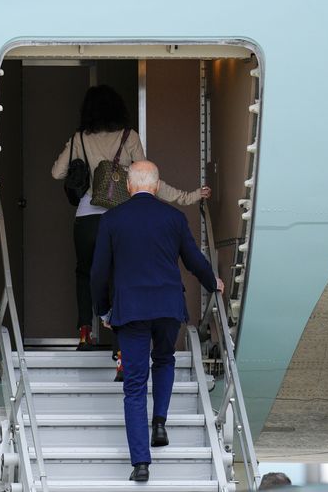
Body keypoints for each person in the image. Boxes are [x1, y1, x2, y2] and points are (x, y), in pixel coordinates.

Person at [52, 85, 210, 353]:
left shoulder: (80, 138)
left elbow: (57, 173)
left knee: (85, 273)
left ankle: (84, 333)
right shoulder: (130, 137)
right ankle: (121, 347)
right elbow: (148, 180)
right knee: (119, 275)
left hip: (87, 218)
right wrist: (189, 196)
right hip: (122, 218)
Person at [89, 160, 221, 482]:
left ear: (130, 187)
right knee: (164, 359)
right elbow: (193, 260)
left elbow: (98, 273)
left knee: (134, 385)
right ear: (158, 185)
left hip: (131, 310)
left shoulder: (111, 220)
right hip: (167, 306)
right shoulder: (173, 218)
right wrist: (212, 281)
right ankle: (159, 422)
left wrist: (104, 311)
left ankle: (141, 464)